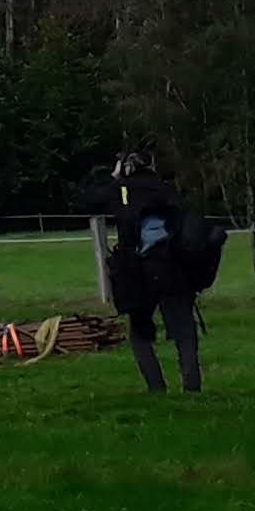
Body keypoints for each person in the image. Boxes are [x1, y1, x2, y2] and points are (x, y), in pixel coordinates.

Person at [103, 151, 202, 394]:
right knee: (184, 332)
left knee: (140, 333)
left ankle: (156, 387)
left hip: (138, 271)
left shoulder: (123, 190)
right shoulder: (165, 188)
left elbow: (90, 199)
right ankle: (192, 386)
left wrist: (116, 180)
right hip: (172, 267)